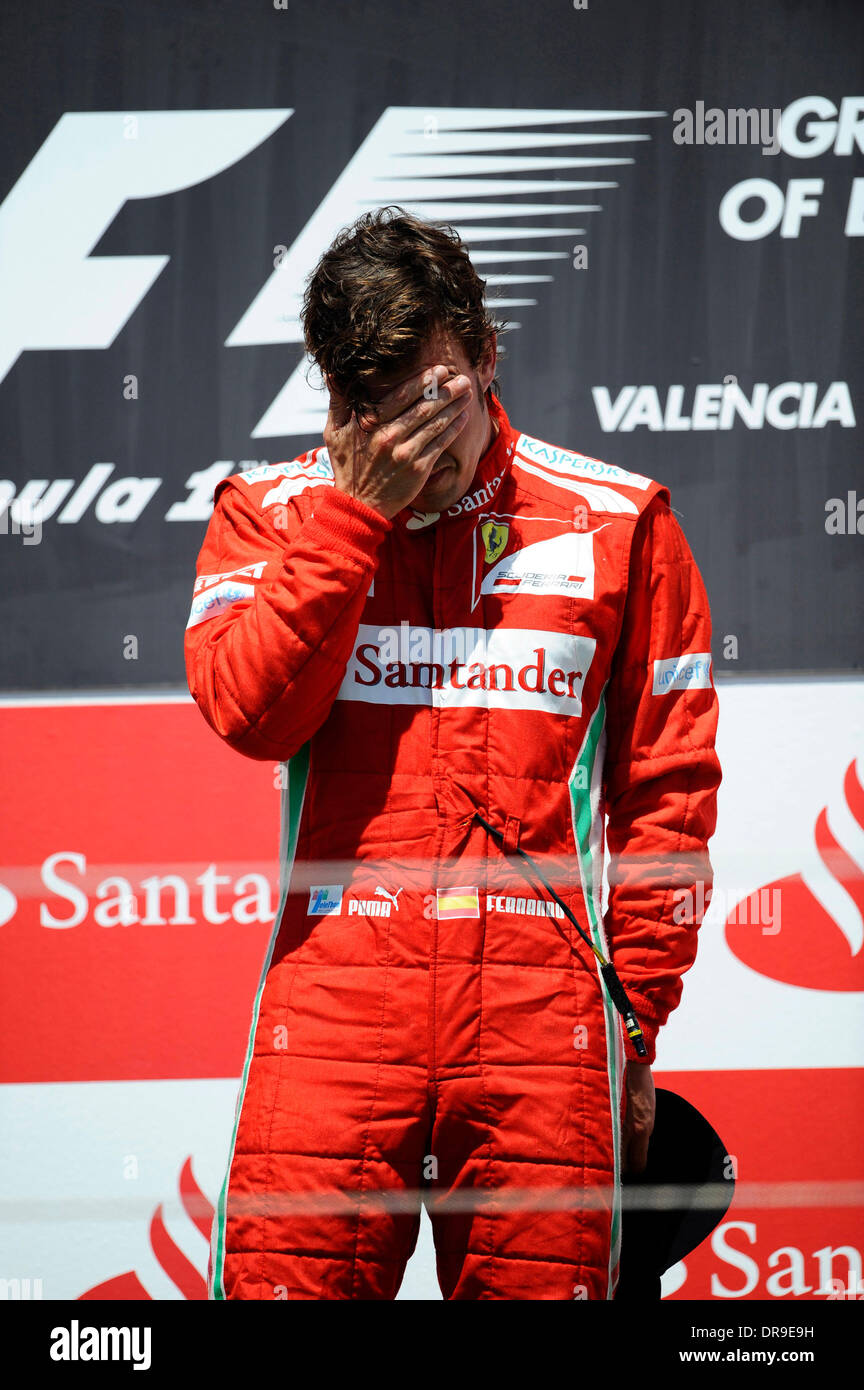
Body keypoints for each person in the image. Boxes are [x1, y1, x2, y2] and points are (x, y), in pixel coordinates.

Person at [184, 206, 722, 1301]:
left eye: (436, 406)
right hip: (334, 1016)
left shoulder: (619, 524)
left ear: (486, 356)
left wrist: (635, 1019)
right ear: (338, 399)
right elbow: (249, 716)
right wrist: (353, 518)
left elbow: (667, 798)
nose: (413, 450)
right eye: (378, 415)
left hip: (541, 1032)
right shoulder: (273, 515)